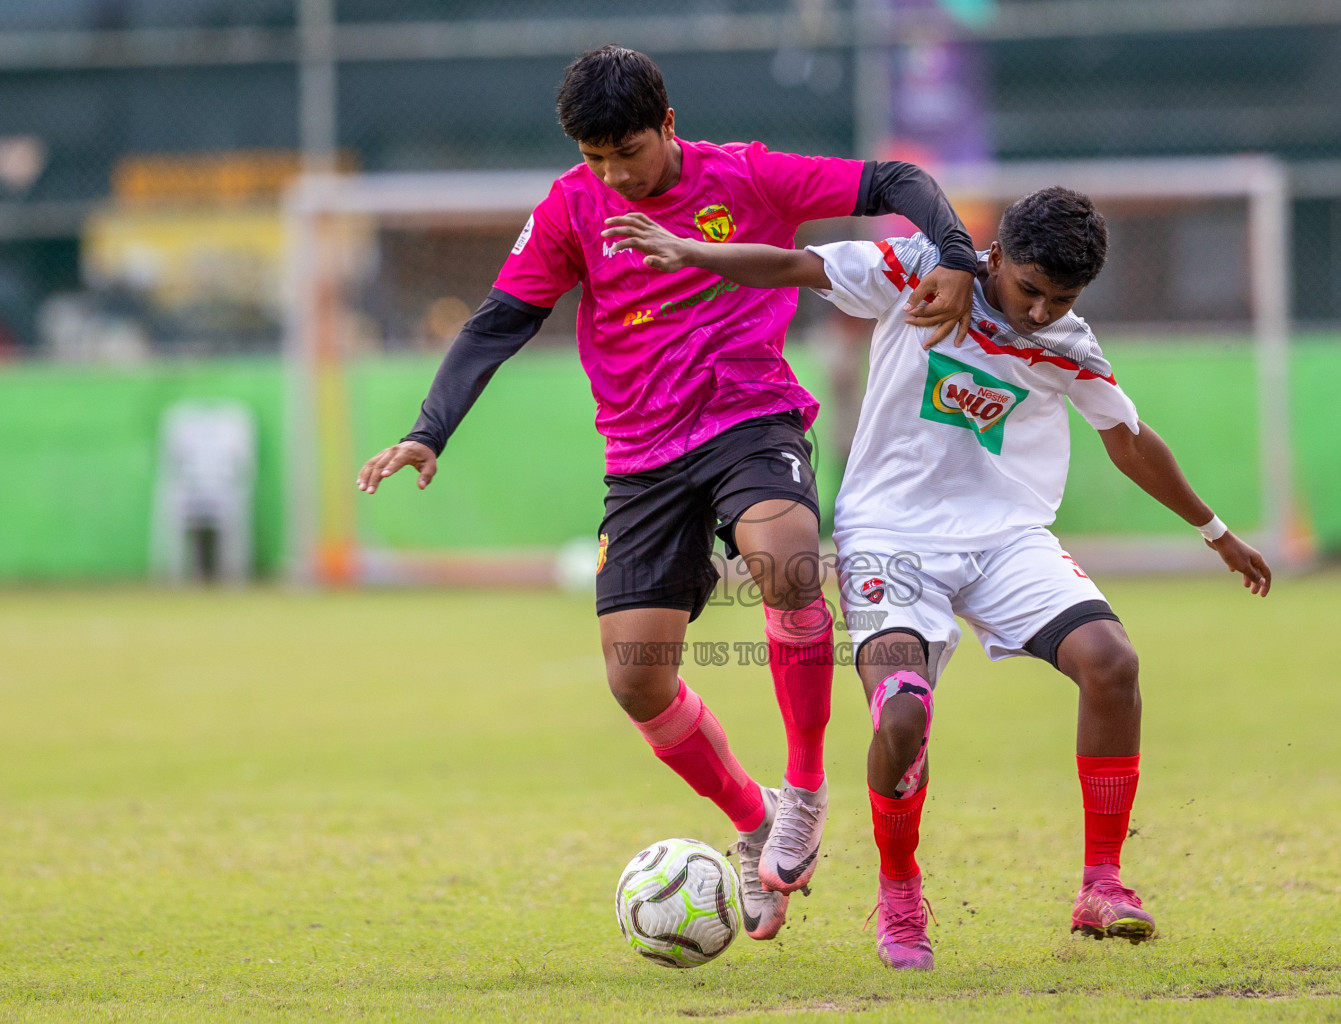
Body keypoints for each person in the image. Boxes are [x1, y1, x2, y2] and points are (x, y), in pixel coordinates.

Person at [355, 45, 980, 942]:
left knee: (789, 562)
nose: (612, 173)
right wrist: (430, 427)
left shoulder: (749, 177)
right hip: (643, 456)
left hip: (748, 419)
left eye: (628, 152)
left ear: (669, 126)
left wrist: (954, 252)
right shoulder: (572, 207)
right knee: (637, 682)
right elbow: (501, 320)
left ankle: (804, 789)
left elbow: (894, 179)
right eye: (593, 156)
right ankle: (752, 813)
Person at [600, 186, 1272, 968]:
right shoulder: (914, 270)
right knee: (901, 719)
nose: (1041, 312)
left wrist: (1216, 531)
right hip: (889, 537)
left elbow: (1128, 438)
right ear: (994, 257)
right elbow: (793, 263)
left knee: (1112, 661)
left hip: (1004, 538)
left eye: (1063, 298)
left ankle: (1102, 882)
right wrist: (693, 252)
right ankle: (899, 890)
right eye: (1030, 290)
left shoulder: (1070, 343)